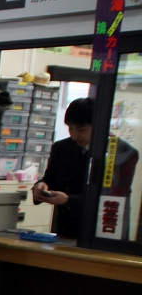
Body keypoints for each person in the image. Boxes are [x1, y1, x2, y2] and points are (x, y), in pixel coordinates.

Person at [32, 97, 138, 239]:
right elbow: (50, 178)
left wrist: (68, 200)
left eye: (81, 129)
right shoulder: (61, 148)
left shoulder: (122, 152)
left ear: (100, 125)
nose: (75, 135)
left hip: (103, 232)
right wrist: (41, 186)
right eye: (71, 128)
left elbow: (110, 197)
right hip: (65, 229)